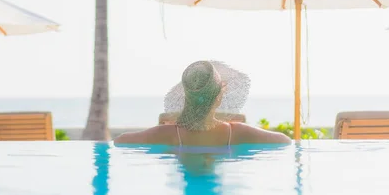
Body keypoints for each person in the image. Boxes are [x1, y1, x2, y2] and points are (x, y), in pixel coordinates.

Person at [114, 60, 291, 146]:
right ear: (219, 97)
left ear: (186, 96)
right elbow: (285, 141)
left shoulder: (166, 134)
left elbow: (120, 141)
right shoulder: (237, 133)